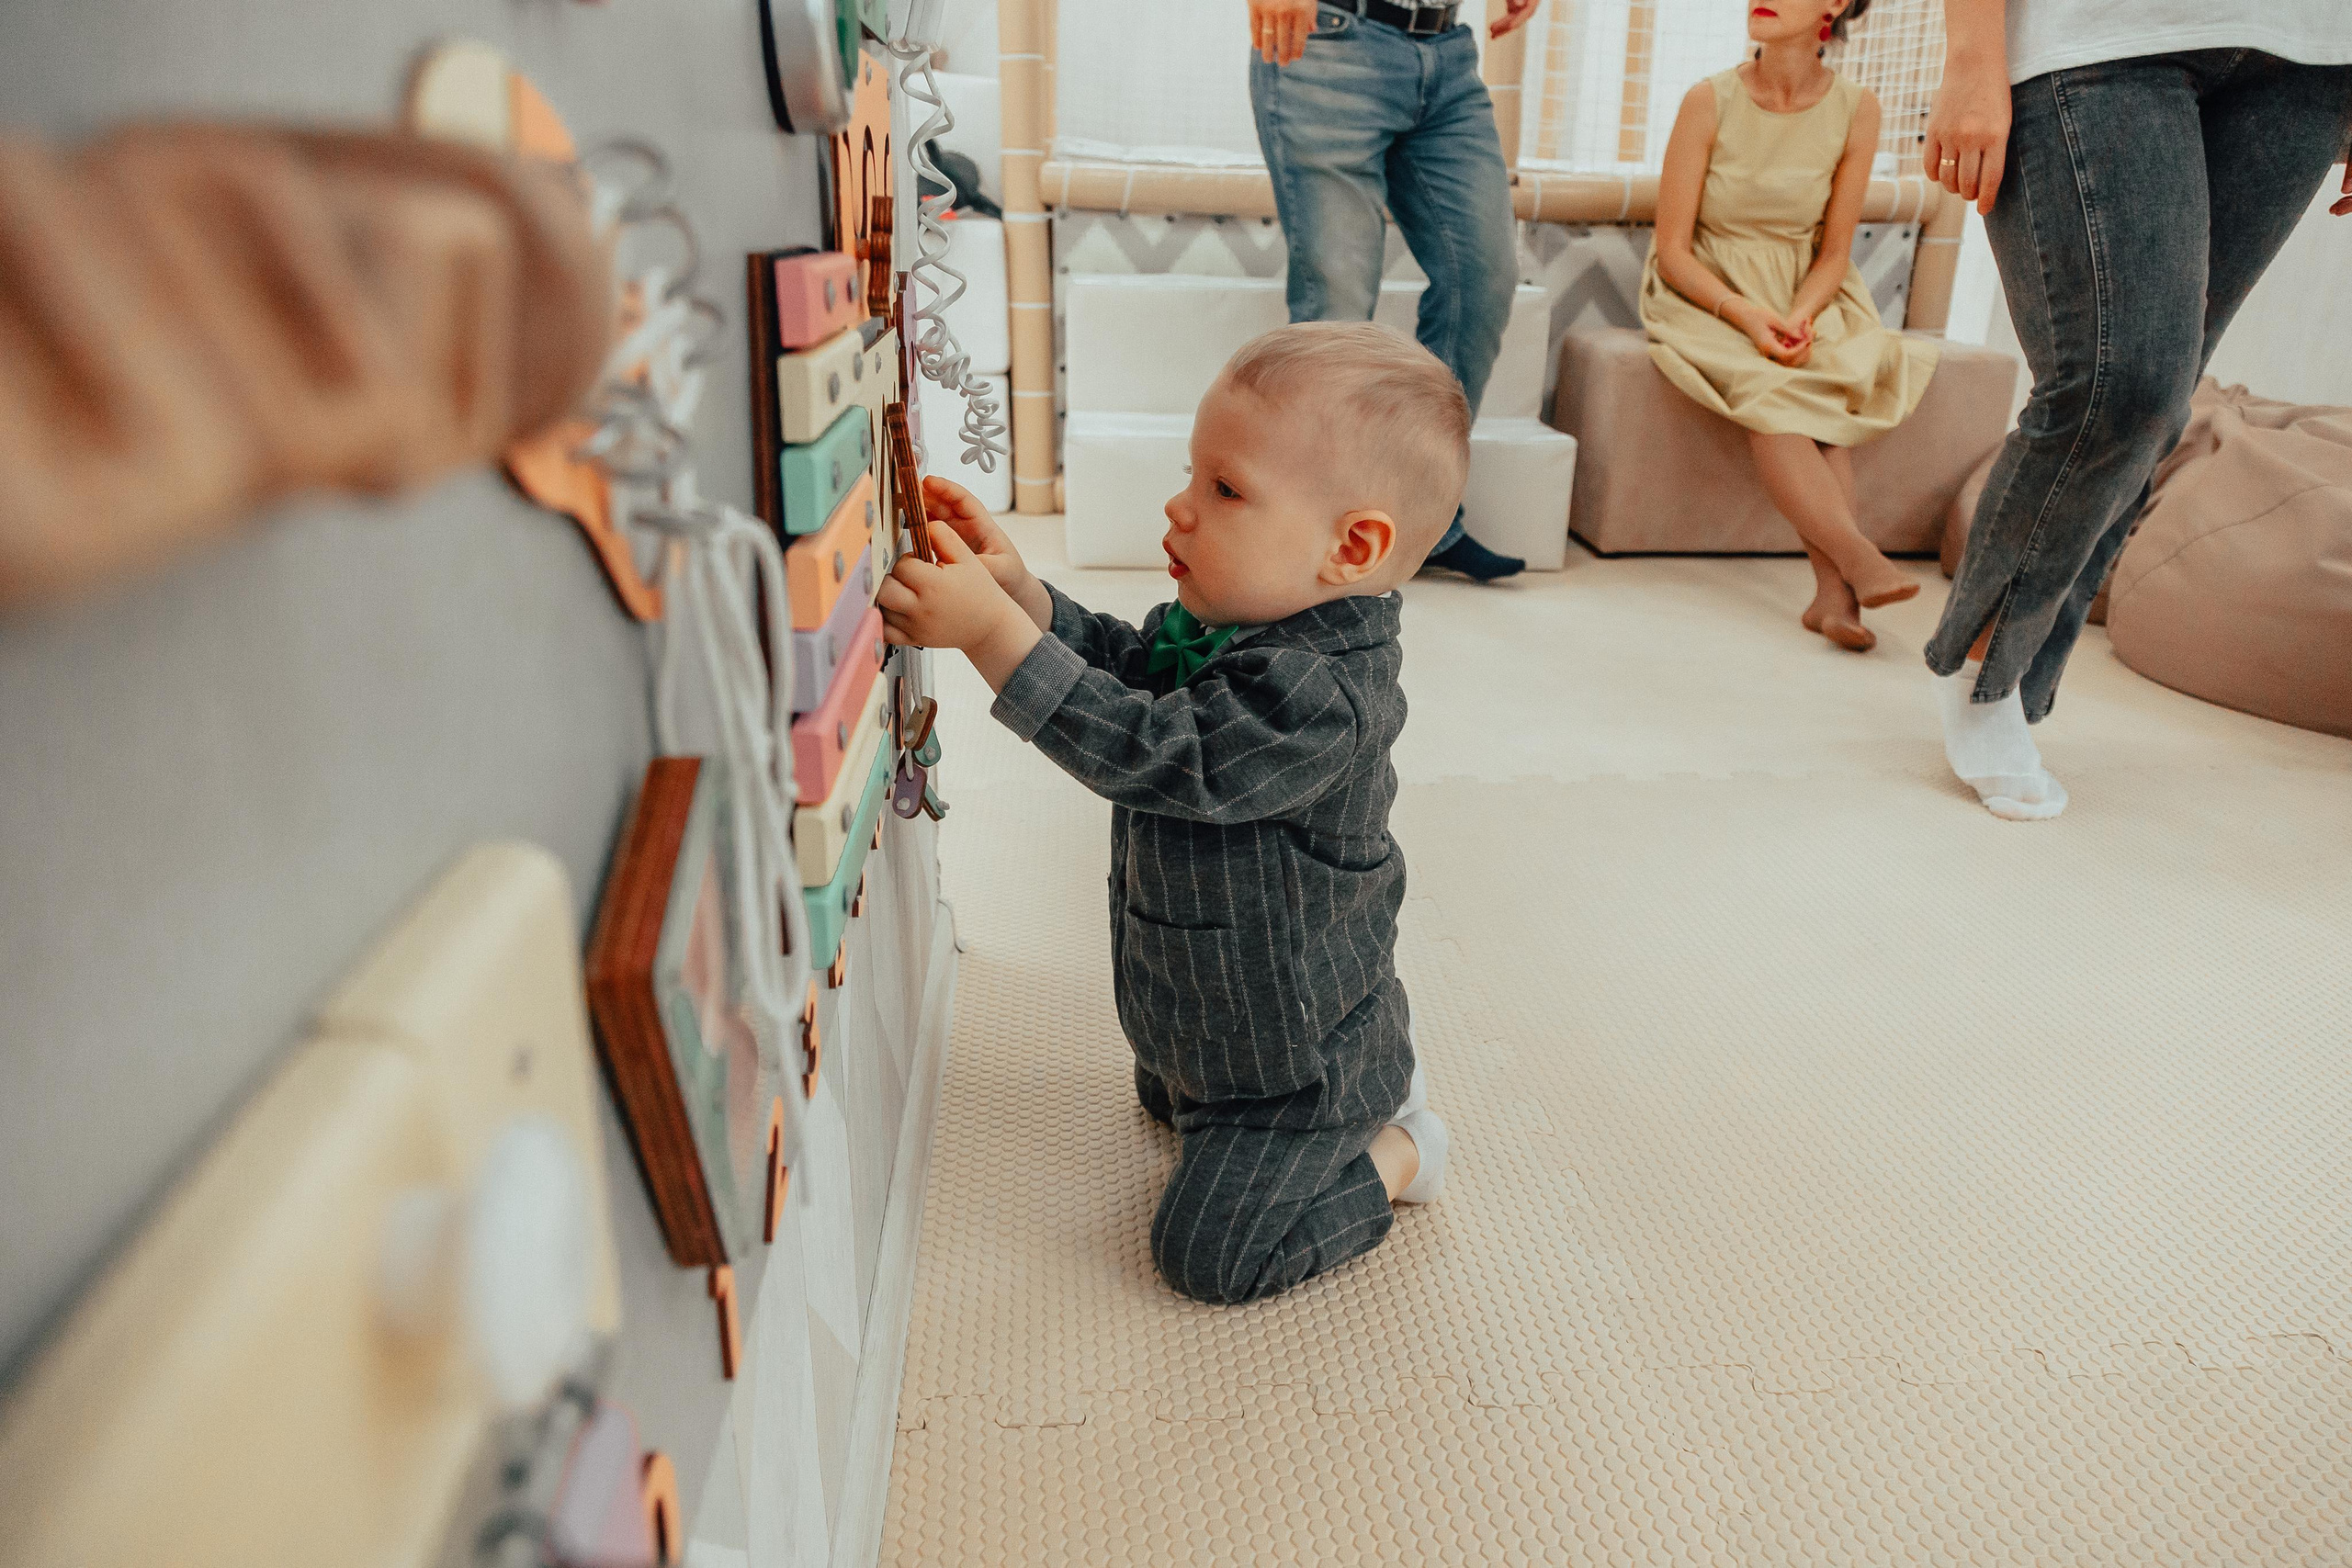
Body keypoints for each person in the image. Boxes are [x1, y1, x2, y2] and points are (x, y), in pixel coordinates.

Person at [877, 322, 1458, 1304]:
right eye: (1195, 477)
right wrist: (1018, 593)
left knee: (1210, 1259)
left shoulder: (1323, 695)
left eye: (1224, 492)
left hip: (1294, 1061)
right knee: (1166, 1092)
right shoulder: (1240, 621)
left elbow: (1152, 750)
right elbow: (1135, 668)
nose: (1179, 508)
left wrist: (985, 637)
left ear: (1350, 546)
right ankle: (1230, 1093)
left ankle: (1396, 1145)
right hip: (1209, 1017)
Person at [1919, 0, 2352, 819]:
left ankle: (2014, 681)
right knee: (2123, 386)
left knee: (2166, 396)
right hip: (2098, 35)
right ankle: (1984, 668)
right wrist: (1972, 56)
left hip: (2310, 56)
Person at [1643, 0, 1938, 653]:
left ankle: (1831, 600)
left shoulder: (1858, 108)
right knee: (1771, 394)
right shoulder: (1707, 101)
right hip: (1708, 291)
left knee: (1827, 395)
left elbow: (1835, 253)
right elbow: (1673, 250)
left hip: (1808, 290)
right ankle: (1855, 564)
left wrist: (1800, 314)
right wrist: (1747, 314)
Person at [1244, 0, 1541, 582]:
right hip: (1329, 42)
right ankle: (1316, 538)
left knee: (1483, 279)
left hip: (1448, 52)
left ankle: (1421, 518)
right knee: (1337, 306)